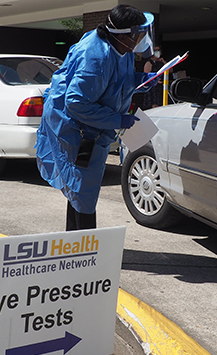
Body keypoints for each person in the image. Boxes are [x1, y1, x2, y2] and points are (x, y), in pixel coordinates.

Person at [35, 4, 158, 231]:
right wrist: (118, 120)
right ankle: (83, 248)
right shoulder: (95, 58)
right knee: (83, 187)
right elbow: (76, 103)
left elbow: (117, 82)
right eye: (137, 34)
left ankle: (76, 243)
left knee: (81, 189)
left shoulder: (121, 48)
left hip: (94, 126)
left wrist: (142, 80)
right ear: (124, 35)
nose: (141, 38)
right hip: (76, 129)